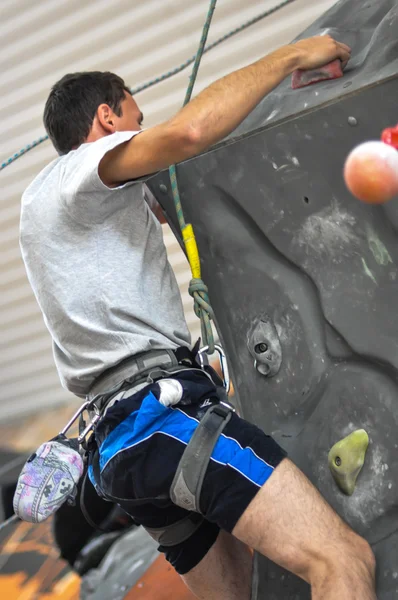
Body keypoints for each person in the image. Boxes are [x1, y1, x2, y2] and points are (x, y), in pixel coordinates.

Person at [20, 35, 377, 599]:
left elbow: (181, 195)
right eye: (137, 121)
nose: (144, 133)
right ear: (106, 117)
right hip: (161, 418)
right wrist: (291, 57)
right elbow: (189, 133)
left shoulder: (55, 208)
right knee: (342, 560)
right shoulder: (81, 172)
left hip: (120, 451)